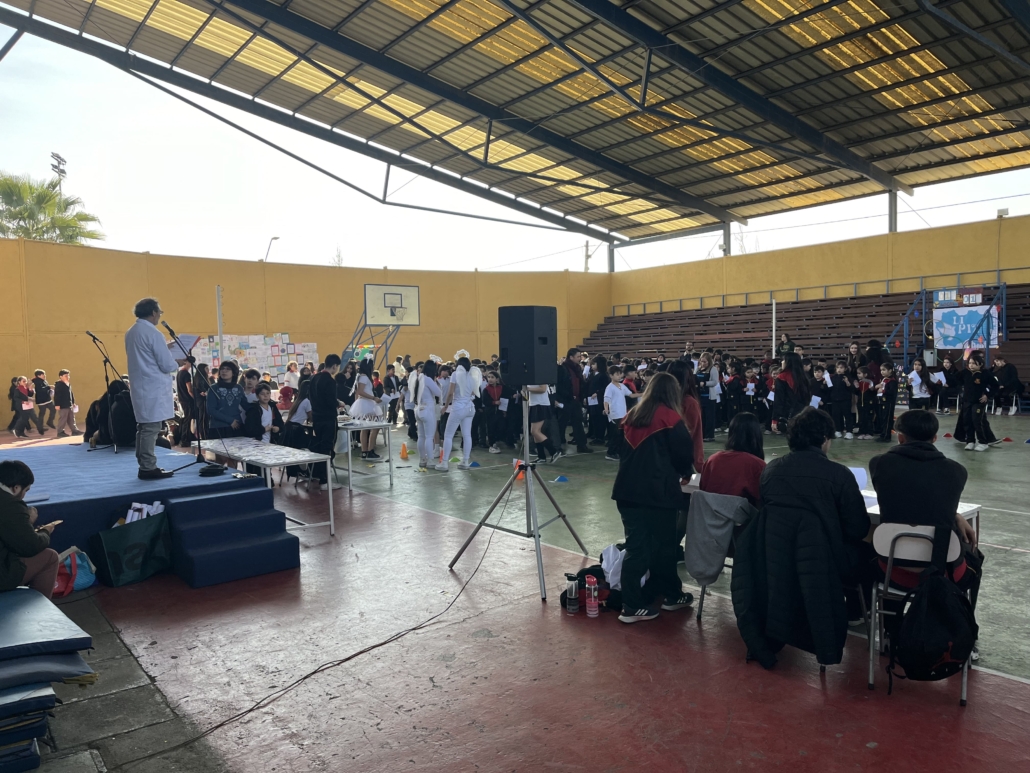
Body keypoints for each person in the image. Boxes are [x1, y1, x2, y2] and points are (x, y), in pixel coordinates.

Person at [731, 408, 871, 668]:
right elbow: (858, 528)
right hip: (823, 563)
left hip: (776, 560)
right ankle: (857, 613)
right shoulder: (839, 475)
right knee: (868, 557)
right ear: (825, 439)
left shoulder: (771, 470)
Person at [611, 372, 696, 623]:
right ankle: (671, 595)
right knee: (664, 547)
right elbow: (684, 456)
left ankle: (631, 603)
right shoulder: (670, 419)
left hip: (626, 492)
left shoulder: (630, 416)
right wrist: (686, 474)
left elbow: (617, 449)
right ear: (672, 392)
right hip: (658, 494)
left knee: (636, 548)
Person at [869, 409, 978, 585]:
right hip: (945, 572)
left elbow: (906, 497)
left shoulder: (879, 464)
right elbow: (938, 503)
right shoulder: (957, 471)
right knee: (975, 558)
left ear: (900, 438)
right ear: (934, 438)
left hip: (892, 570)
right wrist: (956, 515)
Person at [124, 298, 189, 480]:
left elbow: (144, 353)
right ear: (153, 312)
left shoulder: (132, 331)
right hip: (152, 386)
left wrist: (165, 348)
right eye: (159, 312)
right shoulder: (154, 334)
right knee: (151, 428)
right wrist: (178, 362)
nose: (160, 315)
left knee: (144, 427)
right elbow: (166, 365)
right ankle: (148, 467)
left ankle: (144, 464)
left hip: (141, 385)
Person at [0, 460, 60, 600]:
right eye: (25, 490)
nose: (24, 496)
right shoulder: (11, 504)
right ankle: (40, 609)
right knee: (50, 557)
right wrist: (45, 531)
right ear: (16, 488)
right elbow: (31, 546)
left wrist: (25, 522)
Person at [699, 413, 766, 507]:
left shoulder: (712, 460)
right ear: (756, 435)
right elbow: (763, 500)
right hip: (741, 515)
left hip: (709, 513)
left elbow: (703, 489)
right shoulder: (757, 465)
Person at [437, 353, 479, 472]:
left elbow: (450, 393)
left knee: (448, 435)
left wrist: (446, 406)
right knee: (467, 435)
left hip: (458, 407)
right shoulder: (472, 375)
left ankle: (444, 462)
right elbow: (474, 392)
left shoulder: (456, 374)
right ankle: (465, 461)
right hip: (470, 407)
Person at [310, 354, 343, 489]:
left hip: (316, 417)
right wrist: (338, 403)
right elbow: (330, 401)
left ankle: (319, 475)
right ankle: (324, 481)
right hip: (328, 419)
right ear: (334, 366)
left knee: (320, 447)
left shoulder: (314, 378)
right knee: (327, 448)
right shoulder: (330, 381)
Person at [959, 353, 999, 451]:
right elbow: (954, 380)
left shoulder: (985, 374)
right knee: (967, 421)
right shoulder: (965, 372)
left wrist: (987, 395)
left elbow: (995, 386)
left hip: (979, 402)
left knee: (977, 421)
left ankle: (983, 442)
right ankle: (970, 441)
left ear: (980, 364)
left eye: (974, 363)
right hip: (967, 401)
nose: (971, 365)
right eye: (970, 363)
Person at [555, 348, 591, 454]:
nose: (580, 358)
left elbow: (580, 383)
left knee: (578, 422)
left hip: (576, 400)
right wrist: (565, 397)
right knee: (562, 423)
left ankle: (582, 445)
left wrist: (582, 396)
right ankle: (558, 445)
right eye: (578, 356)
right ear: (571, 357)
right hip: (566, 400)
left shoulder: (577, 368)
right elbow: (559, 385)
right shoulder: (562, 369)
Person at [350, 357, 384, 461]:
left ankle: (365, 452)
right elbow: (360, 391)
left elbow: (358, 393)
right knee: (375, 426)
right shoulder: (364, 377)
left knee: (364, 429)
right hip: (367, 403)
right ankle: (370, 451)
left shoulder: (361, 376)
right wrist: (373, 398)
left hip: (364, 403)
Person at [414, 360, 442, 472]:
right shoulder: (428, 379)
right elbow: (438, 392)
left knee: (421, 436)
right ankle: (430, 460)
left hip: (418, 409)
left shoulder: (419, 378)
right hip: (428, 409)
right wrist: (435, 381)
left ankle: (422, 459)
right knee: (429, 437)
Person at [207, 361, 245, 440]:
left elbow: (246, 405)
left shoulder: (238, 388)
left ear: (234, 373)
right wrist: (230, 420)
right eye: (222, 369)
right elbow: (211, 410)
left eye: (228, 369)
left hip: (236, 426)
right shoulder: (213, 388)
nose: (224, 371)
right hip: (219, 427)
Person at [602, 365, 632, 461]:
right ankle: (610, 453)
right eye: (617, 374)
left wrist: (645, 394)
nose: (619, 376)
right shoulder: (610, 387)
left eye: (620, 374)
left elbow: (631, 395)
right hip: (615, 414)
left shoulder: (622, 386)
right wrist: (606, 409)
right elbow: (606, 399)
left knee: (621, 434)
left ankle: (618, 451)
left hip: (622, 414)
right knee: (615, 435)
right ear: (611, 375)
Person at [828, 361, 854, 439]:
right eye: (838, 367)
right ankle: (838, 430)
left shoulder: (848, 377)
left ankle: (849, 431)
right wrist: (826, 383)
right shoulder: (833, 377)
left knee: (847, 415)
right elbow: (830, 388)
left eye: (841, 368)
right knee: (836, 415)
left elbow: (851, 389)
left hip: (845, 399)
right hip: (835, 399)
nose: (839, 369)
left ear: (845, 369)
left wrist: (847, 382)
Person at [874, 362, 898, 443]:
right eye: (881, 370)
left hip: (888, 403)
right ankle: (882, 434)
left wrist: (883, 391)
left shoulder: (892, 381)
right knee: (882, 419)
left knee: (887, 420)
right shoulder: (884, 379)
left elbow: (892, 392)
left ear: (890, 370)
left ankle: (886, 436)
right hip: (882, 401)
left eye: (884, 370)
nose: (882, 372)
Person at [53, 370, 80, 437]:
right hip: (63, 405)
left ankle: (74, 430)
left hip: (69, 404)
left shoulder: (68, 384)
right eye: (66, 376)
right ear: (61, 377)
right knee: (63, 418)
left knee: (71, 418)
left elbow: (71, 394)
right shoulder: (59, 385)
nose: (68, 377)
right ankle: (60, 432)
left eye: (68, 375)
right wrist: (57, 404)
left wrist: (73, 402)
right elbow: (57, 395)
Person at [175, 361, 195, 448]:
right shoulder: (186, 374)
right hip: (187, 400)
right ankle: (185, 440)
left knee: (185, 419)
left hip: (182, 399)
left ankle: (184, 438)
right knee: (188, 420)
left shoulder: (179, 373)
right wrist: (195, 398)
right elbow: (189, 390)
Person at [192, 363, 211, 441]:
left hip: (202, 400)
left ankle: (204, 434)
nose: (208, 370)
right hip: (202, 401)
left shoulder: (202, 378)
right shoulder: (200, 379)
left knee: (204, 418)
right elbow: (202, 390)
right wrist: (206, 392)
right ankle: (204, 435)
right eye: (206, 368)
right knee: (203, 418)